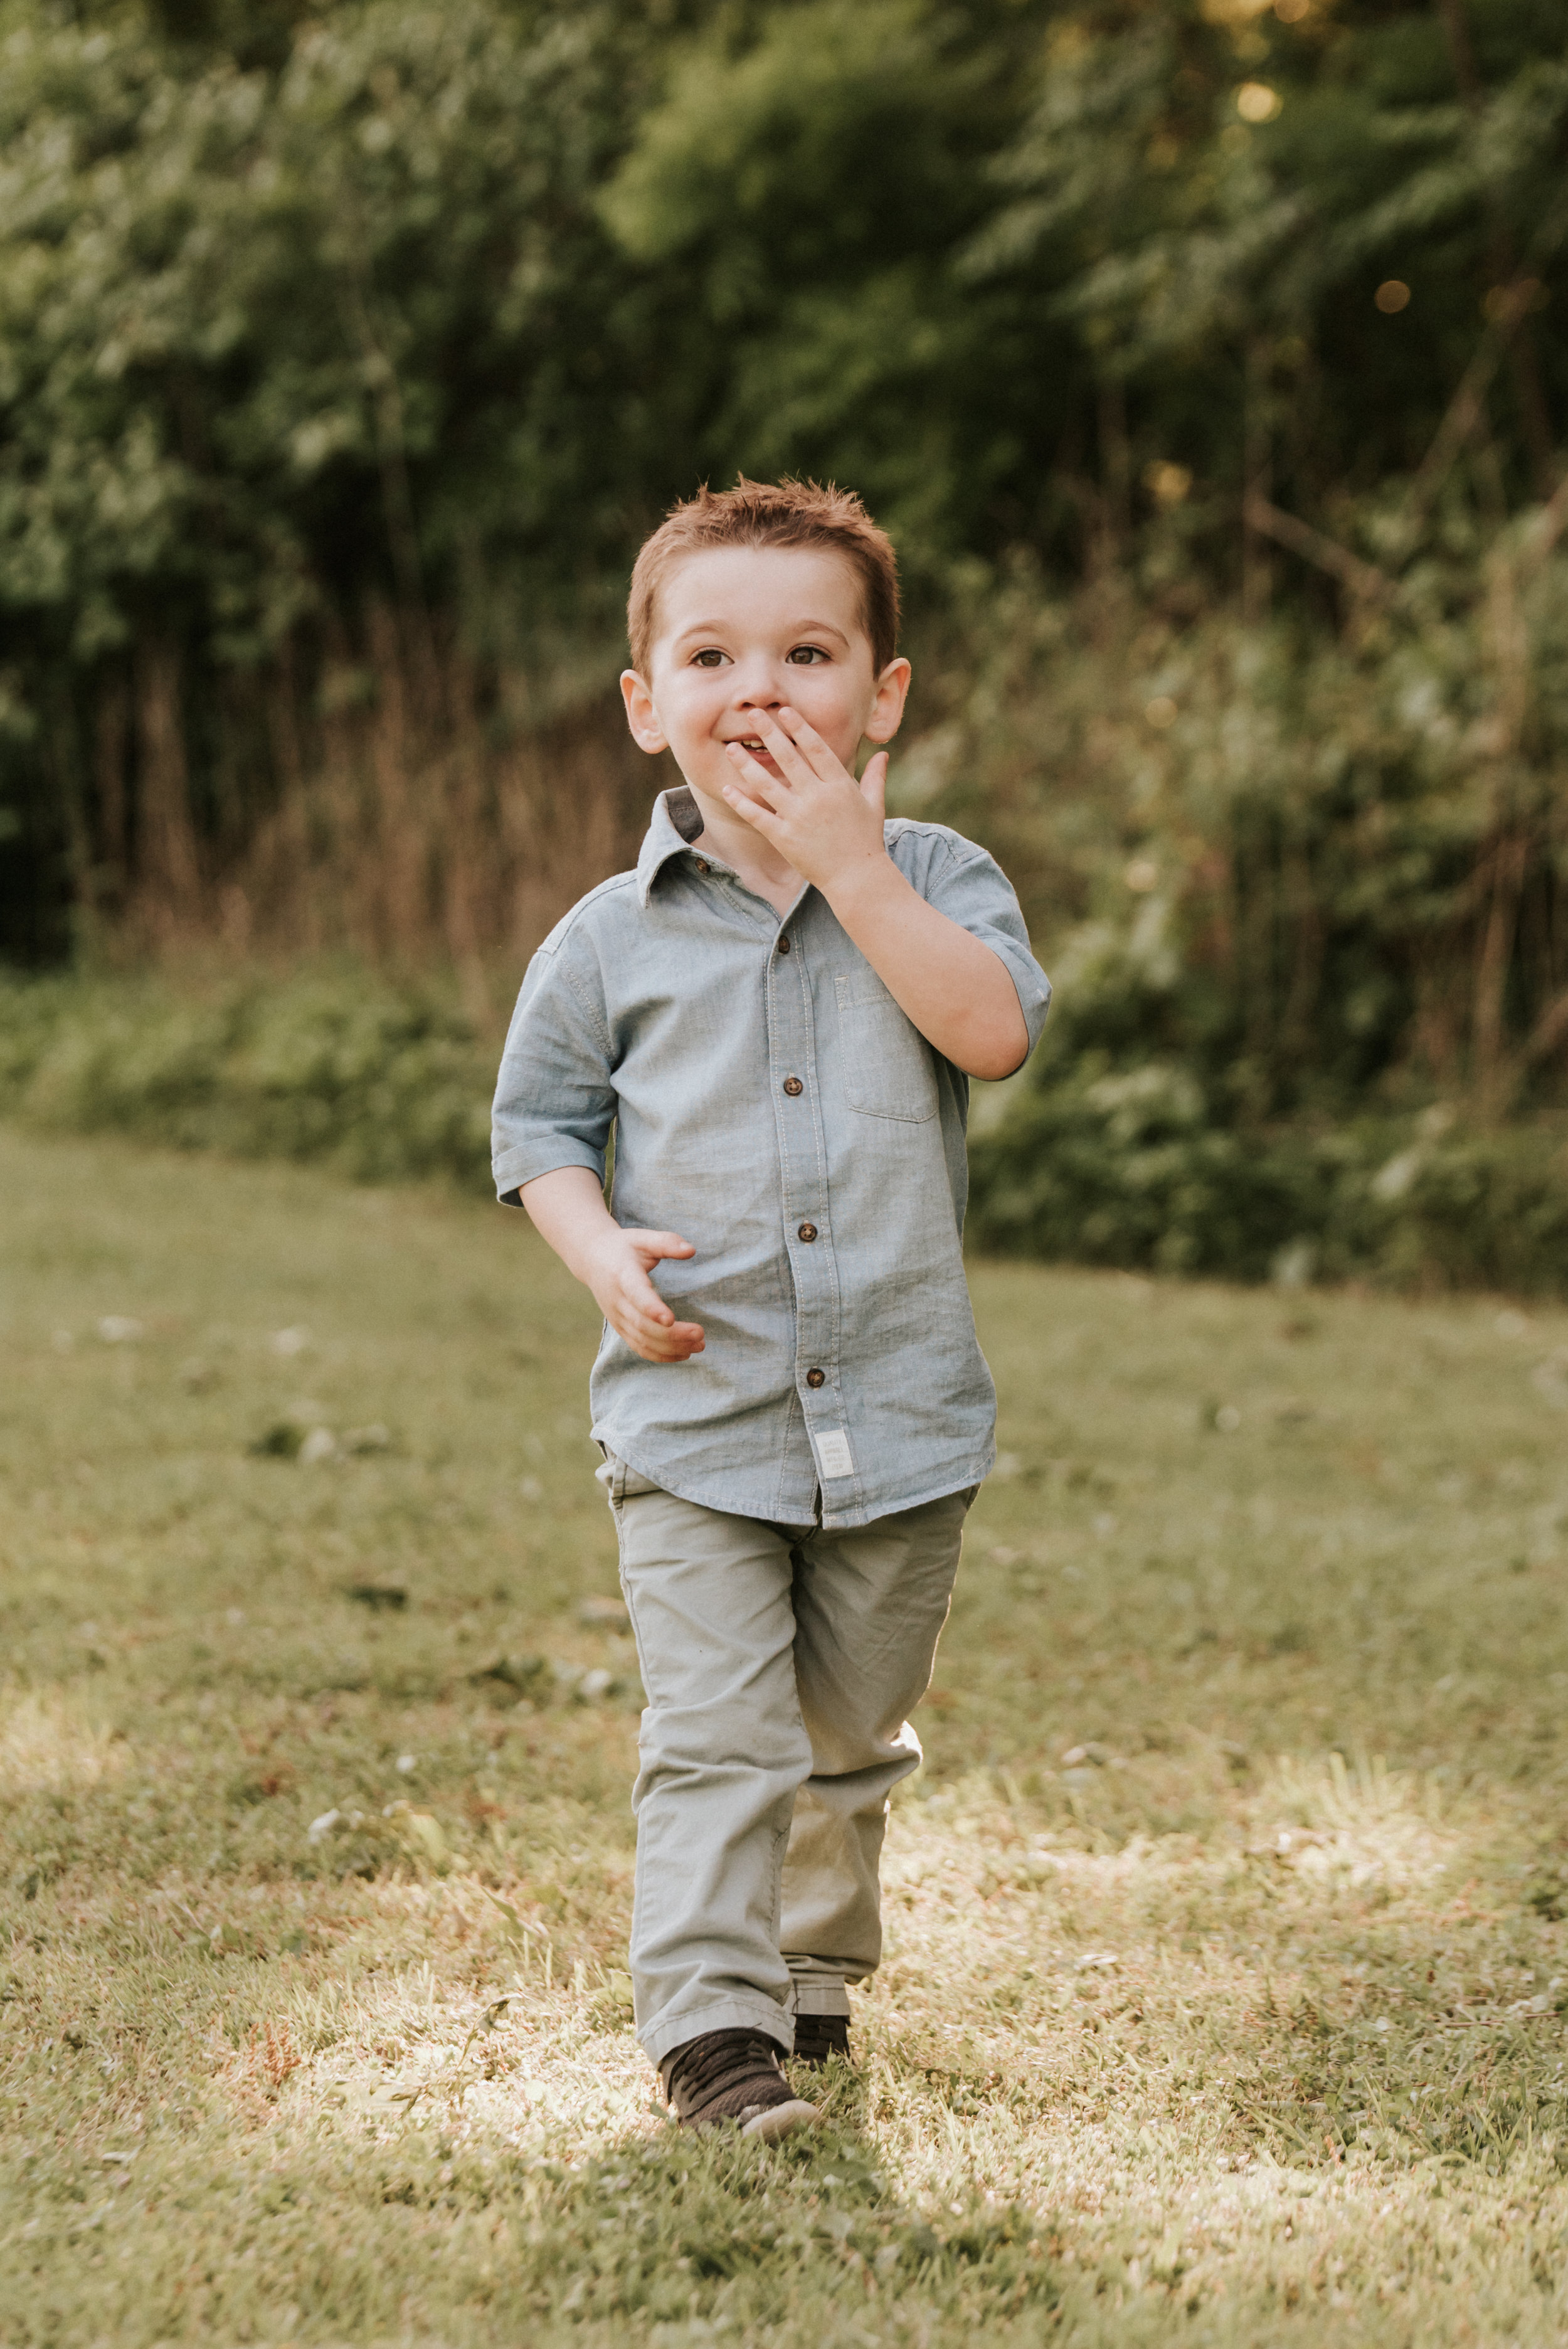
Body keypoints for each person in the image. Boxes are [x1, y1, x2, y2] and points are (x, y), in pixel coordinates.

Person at [491, 478, 1051, 2139]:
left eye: (807, 652)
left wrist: (852, 868)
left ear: (881, 695)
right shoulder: (608, 938)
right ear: (645, 704)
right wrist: (596, 1252)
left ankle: (812, 1972)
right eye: (712, 653)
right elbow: (538, 1130)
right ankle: (709, 2029)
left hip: (900, 1418)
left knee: (845, 1723)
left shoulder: (940, 877)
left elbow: (989, 1033)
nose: (759, 688)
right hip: (693, 1414)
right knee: (722, 1729)